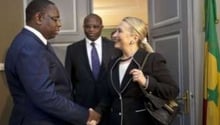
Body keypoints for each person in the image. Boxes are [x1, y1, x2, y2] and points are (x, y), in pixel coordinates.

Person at [4, 0, 100, 125]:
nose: (59, 24)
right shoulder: (29, 46)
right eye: (55, 19)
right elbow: (45, 96)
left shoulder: (35, 43)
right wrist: (85, 115)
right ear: (39, 18)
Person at [95, 17, 179, 125]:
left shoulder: (151, 59)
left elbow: (173, 90)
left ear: (134, 38)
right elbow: (109, 96)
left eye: (119, 31)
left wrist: (146, 82)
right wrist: (97, 112)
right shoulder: (113, 63)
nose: (114, 35)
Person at [65, 13, 120, 125]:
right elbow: (68, 80)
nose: (91, 30)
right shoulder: (72, 49)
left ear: (101, 27)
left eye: (95, 27)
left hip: (109, 106)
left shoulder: (114, 47)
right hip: (82, 107)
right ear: (83, 27)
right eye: (87, 26)